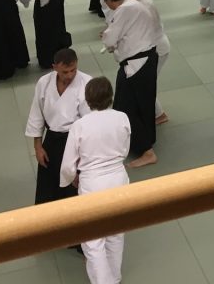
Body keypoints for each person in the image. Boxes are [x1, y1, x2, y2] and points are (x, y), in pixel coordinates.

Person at [59, 76, 131, 282]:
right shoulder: (122, 118)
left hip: (92, 183)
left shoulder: (80, 125)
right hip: (119, 179)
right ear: (111, 97)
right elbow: (124, 150)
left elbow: (67, 165)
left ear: (87, 101)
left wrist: (71, 178)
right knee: (116, 233)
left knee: (93, 240)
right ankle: (114, 278)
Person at [100, 0, 158, 168]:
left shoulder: (123, 10)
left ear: (109, 0)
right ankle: (145, 140)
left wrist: (108, 37)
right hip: (147, 58)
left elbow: (110, 39)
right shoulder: (135, 4)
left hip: (136, 63)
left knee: (124, 107)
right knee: (144, 103)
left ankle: (147, 151)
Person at [25, 47, 91, 204]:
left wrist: (83, 156)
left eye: (73, 70)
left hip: (75, 141)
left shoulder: (87, 83)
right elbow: (37, 115)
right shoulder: (44, 82)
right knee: (48, 189)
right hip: (51, 141)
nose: (69, 75)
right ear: (55, 68)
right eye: (65, 72)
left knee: (73, 188)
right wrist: (38, 147)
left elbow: (89, 124)